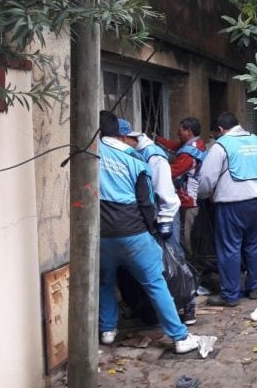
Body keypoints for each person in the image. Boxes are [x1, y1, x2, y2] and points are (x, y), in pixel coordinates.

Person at [97, 110, 199, 354]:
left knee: (105, 282)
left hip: (101, 235)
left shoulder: (90, 154)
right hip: (134, 233)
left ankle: (108, 330)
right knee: (155, 283)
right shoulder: (135, 160)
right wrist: (153, 229)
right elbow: (146, 202)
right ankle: (179, 337)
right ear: (120, 134)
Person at [118, 119, 197, 325]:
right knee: (154, 264)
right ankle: (151, 308)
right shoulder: (133, 154)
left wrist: (163, 221)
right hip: (145, 218)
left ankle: (188, 304)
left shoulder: (153, 156)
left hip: (164, 216)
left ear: (126, 138)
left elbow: (165, 192)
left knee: (175, 259)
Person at [198, 112, 257, 306]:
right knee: (254, 246)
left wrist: (204, 195)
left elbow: (205, 179)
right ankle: (253, 288)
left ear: (220, 129)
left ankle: (230, 294)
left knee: (230, 248)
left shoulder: (220, 146)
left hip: (232, 204)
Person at [155, 117, 207, 257]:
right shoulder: (197, 143)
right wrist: (157, 139)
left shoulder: (187, 154)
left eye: (180, 130)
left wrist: (153, 170)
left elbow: (171, 172)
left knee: (189, 237)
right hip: (194, 197)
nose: (178, 133)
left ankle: (192, 269)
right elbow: (174, 146)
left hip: (190, 200)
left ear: (188, 131)